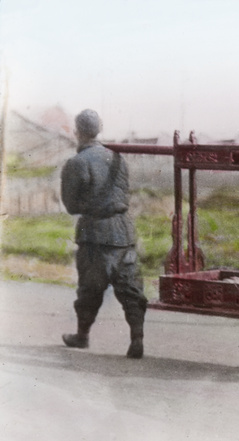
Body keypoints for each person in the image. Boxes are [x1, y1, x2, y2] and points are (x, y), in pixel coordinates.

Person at [61, 109, 147, 359]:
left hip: (94, 233)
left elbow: (71, 206)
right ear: (100, 128)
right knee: (131, 289)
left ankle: (82, 335)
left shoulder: (76, 163)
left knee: (89, 288)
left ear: (77, 132)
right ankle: (137, 339)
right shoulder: (118, 158)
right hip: (124, 232)